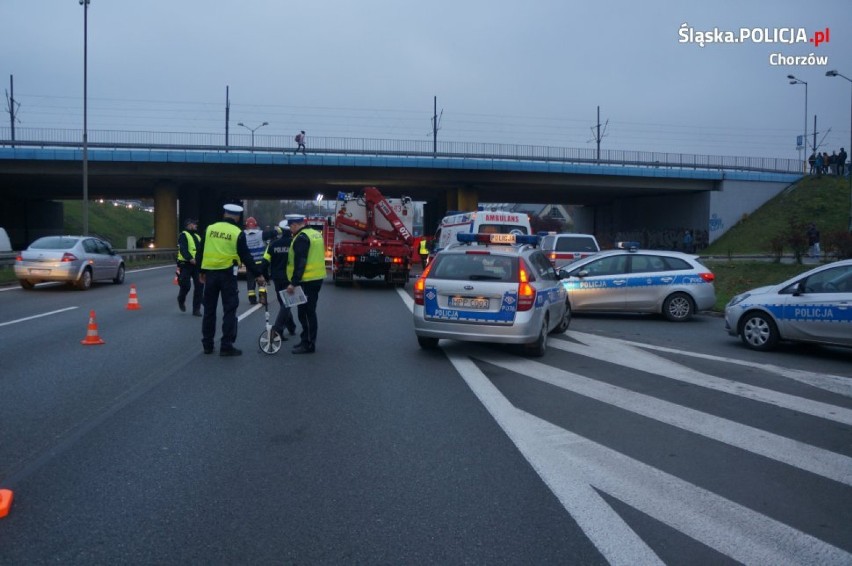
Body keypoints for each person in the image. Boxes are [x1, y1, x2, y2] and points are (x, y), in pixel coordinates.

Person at [196, 203, 266, 356]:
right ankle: (226, 346)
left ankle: (207, 345)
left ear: (224, 214)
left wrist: (201, 271)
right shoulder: (237, 232)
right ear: (238, 216)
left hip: (210, 274)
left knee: (209, 310)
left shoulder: (210, 228)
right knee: (229, 309)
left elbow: (200, 251)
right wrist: (258, 274)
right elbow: (246, 256)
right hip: (227, 275)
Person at [284, 214, 325, 354]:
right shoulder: (315, 234)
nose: (290, 229)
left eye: (291, 226)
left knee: (306, 313)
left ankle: (308, 344)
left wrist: (293, 282)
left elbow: (300, 261)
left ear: (295, 224)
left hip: (306, 280)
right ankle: (305, 339)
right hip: (316, 278)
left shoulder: (301, 238)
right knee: (308, 312)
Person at [261, 219, 297, 340]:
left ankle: (291, 327)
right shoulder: (294, 243)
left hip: (277, 278)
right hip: (290, 278)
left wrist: (265, 277)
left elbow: (265, 262)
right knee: (287, 303)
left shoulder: (273, 244)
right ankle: (278, 330)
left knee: (284, 303)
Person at [176, 217, 204, 316]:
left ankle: (196, 309)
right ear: (189, 225)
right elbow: (183, 249)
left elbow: (201, 250)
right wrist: (190, 258)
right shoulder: (183, 235)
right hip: (186, 264)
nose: (196, 225)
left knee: (199, 286)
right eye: (194, 224)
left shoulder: (198, 236)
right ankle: (181, 299)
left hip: (196, 265)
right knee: (186, 285)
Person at [243, 216, 266, 305]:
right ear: (256, 225)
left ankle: (252, 299)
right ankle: (262, 297)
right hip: (260, 262)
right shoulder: (261, 233)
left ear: (246, 226)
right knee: (261, 281)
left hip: (250, 263)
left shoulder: (243, 235)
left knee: (250, 281)